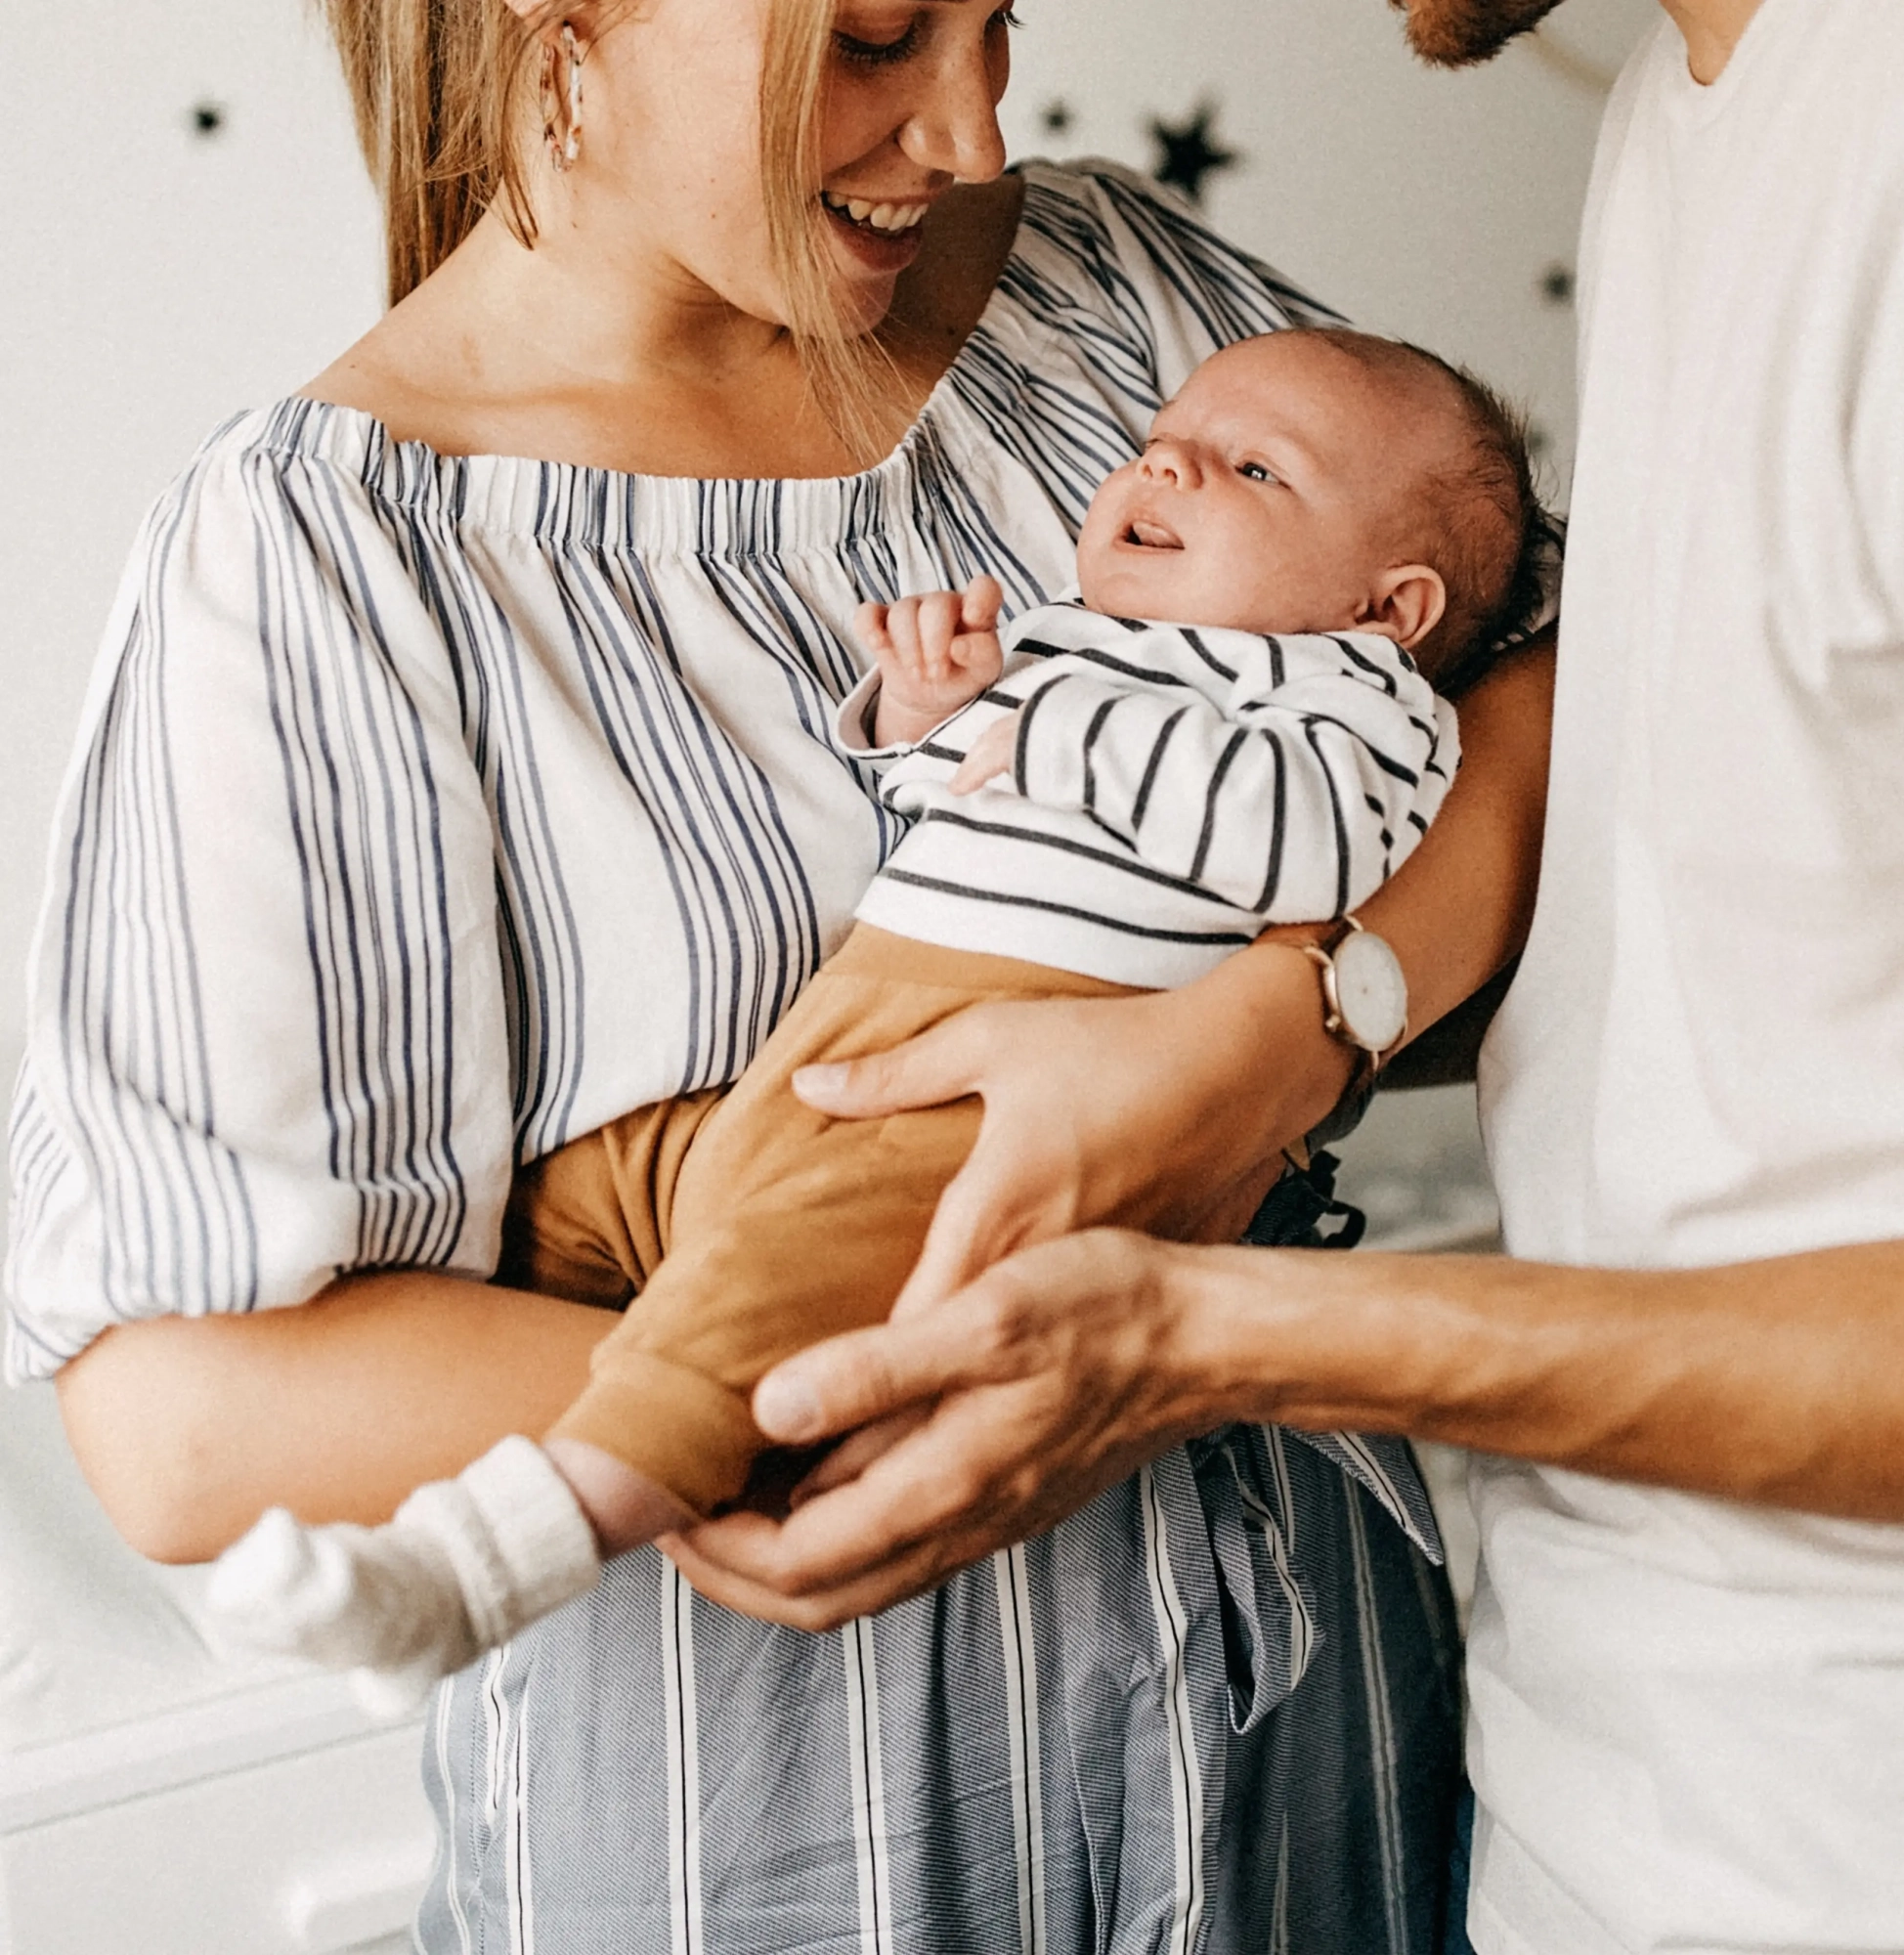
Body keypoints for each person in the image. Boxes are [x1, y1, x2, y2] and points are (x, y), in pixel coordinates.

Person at [6, 2, 1559, 1948]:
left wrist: (1296, 1028)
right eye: (882, 33)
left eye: (999, 21)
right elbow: (184, 1421)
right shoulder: (330, 560)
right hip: (774, 1831)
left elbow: (1535, 674)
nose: (977, 128)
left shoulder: (1111, 297)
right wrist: (970, 1376)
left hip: (1305, 1707)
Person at [682, 2, 1904, 1951]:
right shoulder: (1681, 126)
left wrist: (1214, 1327)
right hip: (1596, 1796)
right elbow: (1604, 724)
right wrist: (1296, 1021)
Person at [199, 325, 1539, 1699]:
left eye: (1250, 467)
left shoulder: (1357, 706)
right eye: (1159, 443)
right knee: (575, 1192)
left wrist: (1053, 722)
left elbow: (1288, 850)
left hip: (985, 1105)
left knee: (752, 1300)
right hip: (839, 1053)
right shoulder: (1074, 642)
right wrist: (925, 708)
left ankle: (479, 1570)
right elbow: (943, 799)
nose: (1169, 467)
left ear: (1393, 607)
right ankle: (435, 1462)